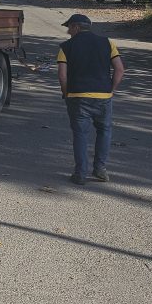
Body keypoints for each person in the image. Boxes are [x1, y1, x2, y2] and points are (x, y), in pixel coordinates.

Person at [57, 14, 125, 185]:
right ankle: (100, 169)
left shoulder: (66, 47)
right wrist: (111, 90)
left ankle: (80, 174)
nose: (68, 32)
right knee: (104, 131)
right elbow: (119, 70)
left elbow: (62, 76)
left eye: (69, 28)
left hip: (77, 97)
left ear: (77, 27)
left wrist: (66, 94)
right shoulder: (108, 43)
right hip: (103, 96)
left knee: (80, 134)